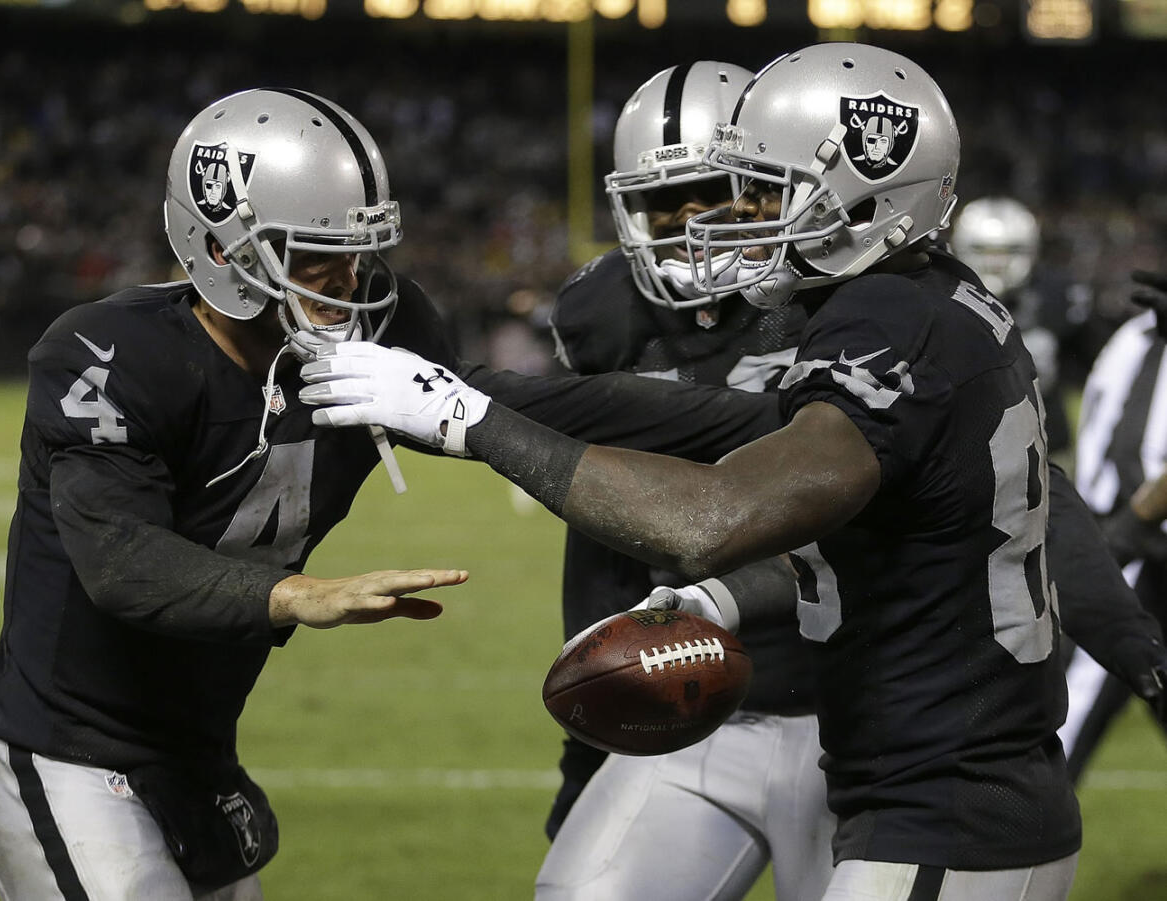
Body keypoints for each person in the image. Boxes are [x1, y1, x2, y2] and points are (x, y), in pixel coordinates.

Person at [296, 44, 1141, 899]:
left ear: (858, 201)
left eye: (766, 191)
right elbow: (829, 504)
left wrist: (470, 417)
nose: (733, 218)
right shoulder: (918, 302)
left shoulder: (887, 332)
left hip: (941, 791)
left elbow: (717, 515)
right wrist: (720, 601)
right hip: (891, 763)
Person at [0, 86, 797, 901]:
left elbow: (541, 405)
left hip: (193, 747)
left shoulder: (377, 329)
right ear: (222, 248)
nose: (349, 279)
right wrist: (299, 593)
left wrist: (786, 417)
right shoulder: (107, 356)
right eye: (313, 250)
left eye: (359, 248)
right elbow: (120, 562)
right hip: (60, 742)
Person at [535, 61, 833, 901]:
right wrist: (587, 742)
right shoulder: (606, 311)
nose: (690, 222)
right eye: (664, 202)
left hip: (862, 701)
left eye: (713, 192)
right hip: (699, 699)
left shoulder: (844, 295)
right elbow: (598, 527)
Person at [1062, 268, 1167, 782]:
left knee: (1079, 686)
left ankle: (1018, 831)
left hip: (1140, 539)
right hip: (1116, 531)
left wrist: (1129, 528)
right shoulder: (1134, 335)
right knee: (1080, 682)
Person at [949, 196, 1073, 454]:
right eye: (984, 251)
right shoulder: (942, 296)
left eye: (1009, 251)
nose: (996, 263)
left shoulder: (1053, 295)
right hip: (967, 441)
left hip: (1045, 439)